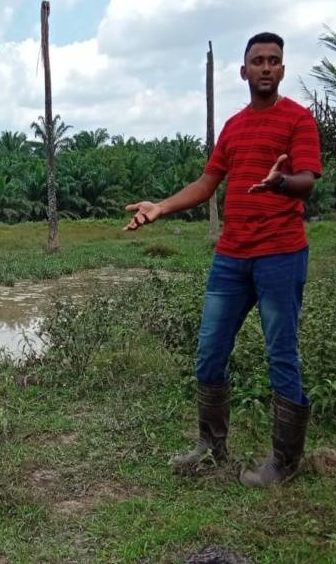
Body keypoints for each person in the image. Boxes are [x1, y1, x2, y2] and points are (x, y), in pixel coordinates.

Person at [123, 32, 322, 487]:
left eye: (274, 60)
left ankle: (285, 461)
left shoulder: (299, 119)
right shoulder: (233, 127)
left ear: (283, 69)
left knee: (281, 354)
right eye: (258, 60)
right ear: (244, 71)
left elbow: (308, 181)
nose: (266, 67)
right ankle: (211, 446)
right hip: (231, 257)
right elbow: (207, 182)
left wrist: (280, 183)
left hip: (281, 254)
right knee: (210, 351)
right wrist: (161, 207)